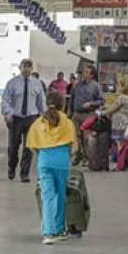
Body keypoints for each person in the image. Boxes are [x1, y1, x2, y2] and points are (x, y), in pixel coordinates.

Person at [27, 90, 78, 244]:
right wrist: (67, 155)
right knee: (60, 196)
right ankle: (59, 229)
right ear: (63, 105)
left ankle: (48, 233)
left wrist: (43, 153)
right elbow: (74, 147)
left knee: (47, 196)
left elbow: (31, 146)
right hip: (62, 162)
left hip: (44, 161)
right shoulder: (67, 123)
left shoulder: (38, 123)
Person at [2, 59, 46, 182]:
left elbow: (41, 102)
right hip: (16, 119)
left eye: (29, 67)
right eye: (24, 66)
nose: (26, 69)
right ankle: (11, 167)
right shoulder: (12, 83)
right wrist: (7, 113)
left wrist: (43, 117)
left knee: (29, 146)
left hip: (31, 119)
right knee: (13, 146)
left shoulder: (37, 84)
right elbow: (6, 99)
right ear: (20, 68)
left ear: (32, 69)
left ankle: (24, 173)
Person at [68, 65, 104, 166]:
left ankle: (87, 158)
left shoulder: (96, 86)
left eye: (87, 72)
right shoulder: (77, 85)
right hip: (76, 114)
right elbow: (72, 98)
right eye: (84, 72)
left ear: (92, 75)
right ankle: (78, 155)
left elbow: (102, 101)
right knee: (74, 137)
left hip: (89, 114)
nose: (84, 74)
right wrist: (69, 111)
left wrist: (91, 103)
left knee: (87, 138)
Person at [101, 76, 128, 167]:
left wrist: (102, 112)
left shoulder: (121, 97)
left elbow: (113, 109)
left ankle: (120, 164)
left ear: (123, 86)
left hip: (119, 124)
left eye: (119, 85)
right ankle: (124, 163)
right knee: (126, 144)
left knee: (119, 144)